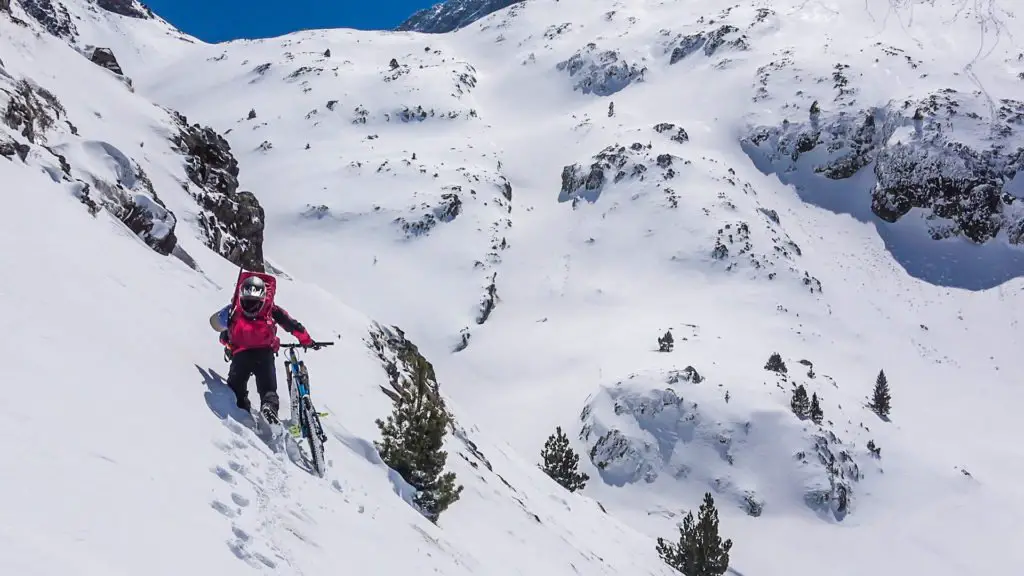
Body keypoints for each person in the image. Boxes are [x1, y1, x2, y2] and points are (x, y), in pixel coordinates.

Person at [217, 275, 315, 425]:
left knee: (236, 389)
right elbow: (292, 325)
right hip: (264, 354)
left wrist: (228, 344)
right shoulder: (270, 308)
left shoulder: (235, 310)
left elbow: (224, 334)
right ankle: (269, 409)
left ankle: (243, 413)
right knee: (268, 389)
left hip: (240, 355)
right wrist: (307, 341)